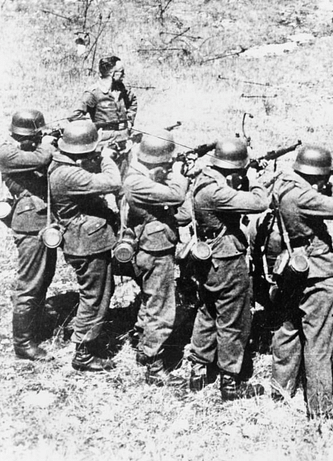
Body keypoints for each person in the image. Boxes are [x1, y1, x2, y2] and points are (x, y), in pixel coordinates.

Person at [270, 144, 333, 417]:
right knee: (319, 340)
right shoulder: (304, 197)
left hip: (292, 268)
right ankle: (320, 407)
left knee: (289, 328)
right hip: (316, 272)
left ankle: (280, 388)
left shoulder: (284, 184)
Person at [187, 137, 269, 401]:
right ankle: (230, 381)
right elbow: (259, 203)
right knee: (234, 320)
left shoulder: (205, 179)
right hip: (227, 260)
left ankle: (199, 371)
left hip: (208, 260)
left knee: (207, 311)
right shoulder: (215, 193)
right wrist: (255, 178)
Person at [49, 120, 122, 371]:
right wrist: (107, 157)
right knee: (95, 296)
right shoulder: (70, 174)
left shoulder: (61, 164)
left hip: (81, 240)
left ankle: (85, 338)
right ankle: (84, 353)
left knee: (96, 293)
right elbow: (113, 182)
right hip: (87, 243)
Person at [122, 131, 189, 386]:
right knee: (161, 308)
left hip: (150, 247)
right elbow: (175, 196)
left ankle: (142, 344)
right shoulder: (136, 182)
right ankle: (154, 364)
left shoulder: (141, 174)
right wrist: (180, 175)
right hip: (154, 250)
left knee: (150, 300)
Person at [0, 110, 57, 361]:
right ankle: (23, 343)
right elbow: (42, 158)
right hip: (29, 224)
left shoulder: (24, 149)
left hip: (42, 221)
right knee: (30, 284)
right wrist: (48, 143)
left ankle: (36, 324)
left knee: (44, 277)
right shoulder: (7, 152)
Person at [71, 56, 137, 156]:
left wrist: (130, 120)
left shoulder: (122, 88)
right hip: (105, 143)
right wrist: (92, 128)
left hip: (124, 138)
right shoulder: (94, 93)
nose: (124, 75)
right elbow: (74, 116)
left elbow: (133, 101)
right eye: (121, 72)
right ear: (111, 73)